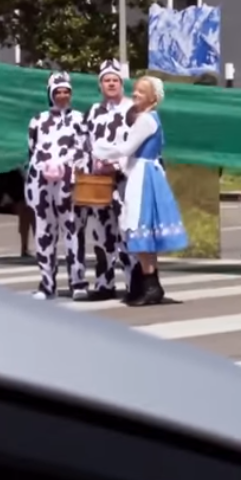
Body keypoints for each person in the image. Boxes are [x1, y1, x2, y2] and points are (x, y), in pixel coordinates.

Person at [92, 76, 189, 307]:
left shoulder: (145, 120)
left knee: (139, 227)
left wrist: (100, 149)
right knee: (142, 230)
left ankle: (149, 285)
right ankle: (148, 284)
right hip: (143, 172)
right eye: (135, 91)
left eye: (141, 92)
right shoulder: (149, 118)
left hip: (143, 177)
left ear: (153, 98)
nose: (135, 95)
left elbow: (127, 148)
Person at [25, 72, 90, 301]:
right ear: (51, 94)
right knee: (44, 233)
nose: (62, 96)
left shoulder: (80, 119)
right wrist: (45, 165)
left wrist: (67, 163)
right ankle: (47, 284)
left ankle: (78, 282)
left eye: (66, 92)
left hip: (70, 184)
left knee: (73, 231)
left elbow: (84, 148)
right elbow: (32, 149)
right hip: (42, 185)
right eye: (58, 92)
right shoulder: (38, 120)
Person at [81, 59, 140, 302]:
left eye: (115, 80)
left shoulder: (133, 110)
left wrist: (117, 163)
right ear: (101, 85)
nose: (111, 84)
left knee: (127, 232)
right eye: (107, 80)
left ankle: (134, 284)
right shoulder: (94, 111)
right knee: (101, 233)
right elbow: (85, 144)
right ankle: (104, 283)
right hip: (99, 181)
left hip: (126, 178)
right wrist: (91, 166)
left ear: (121, 83)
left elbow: (139, 144)